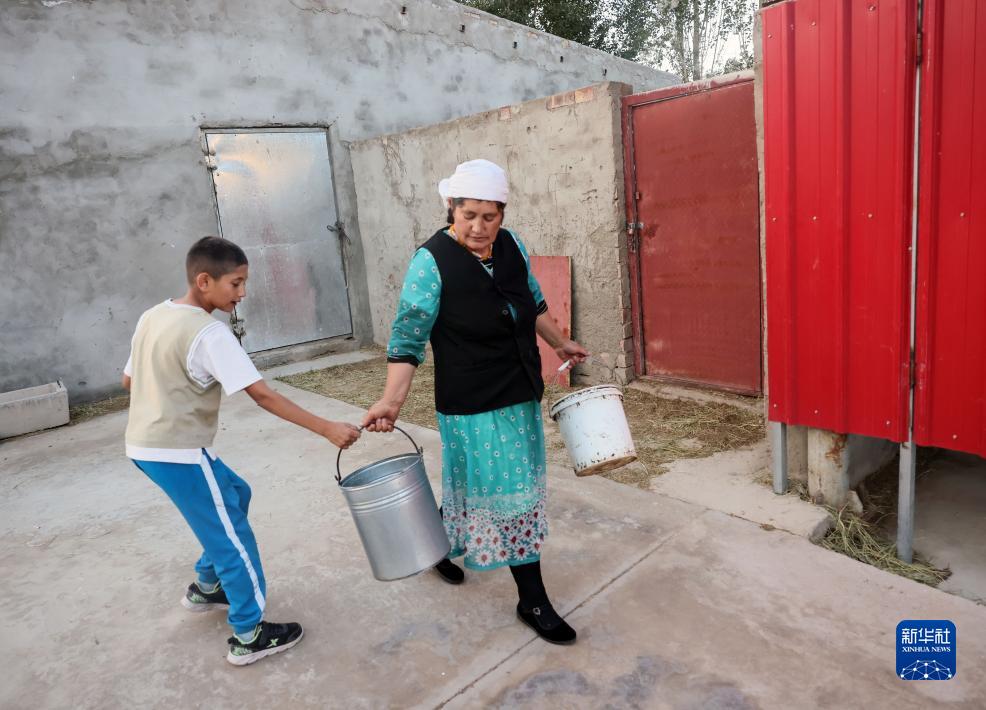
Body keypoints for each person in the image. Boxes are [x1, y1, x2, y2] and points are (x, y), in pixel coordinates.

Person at [362, 159, 588, 645]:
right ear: (451, 208)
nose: (480, 227)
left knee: (479, 483)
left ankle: (439, 547)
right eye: (469, 216)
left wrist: (560, 343)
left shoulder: (512, 246)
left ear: (503, 214)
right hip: (472, 399)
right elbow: (408, 337)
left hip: (519, 389)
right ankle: (533, 600)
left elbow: (532, 301)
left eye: (490, 217)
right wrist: (391, 401)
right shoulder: (431, 262)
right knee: (514, 493)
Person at [122, 236, 360, 666]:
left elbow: (129, 381)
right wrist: (327, 428)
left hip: (144, 446)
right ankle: (249, 633)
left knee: (236, 493)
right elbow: (263, 396)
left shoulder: (153, 315)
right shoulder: (210, 333)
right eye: (235, 283)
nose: (243, 293)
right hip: (178, 451)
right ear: (204, 281)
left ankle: (208, 586)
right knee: (232, 537)